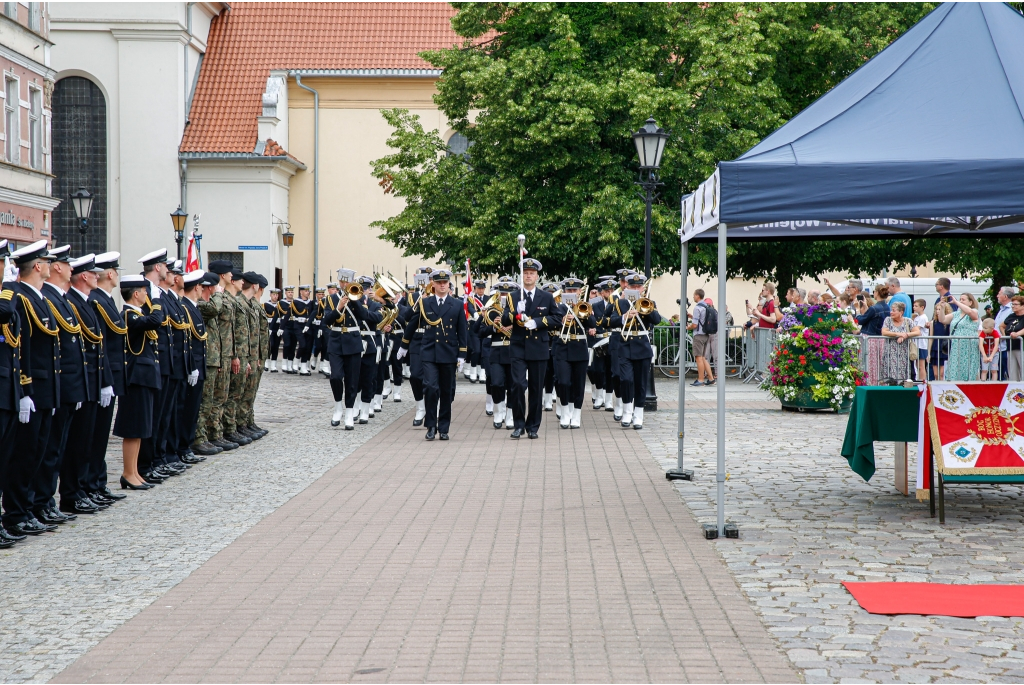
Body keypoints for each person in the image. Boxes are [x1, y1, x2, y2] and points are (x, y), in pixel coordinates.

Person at [3, 241, 62, 537]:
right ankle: (16, 512)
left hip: (45, 384)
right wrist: (24, 388)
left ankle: (29, 508)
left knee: (39, 450)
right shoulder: (21, 297)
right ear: (37, 266)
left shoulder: (38, 298)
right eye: (46, 261)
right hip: (30, 385)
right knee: (24, 454)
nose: (51, 265)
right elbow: (21, 345)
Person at [61, 255, 116, 515]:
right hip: (82, 382)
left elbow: (98, 346)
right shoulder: (74, 302)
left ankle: (83, 489)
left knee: (88, 441)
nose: (98, 276)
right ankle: (73, 493)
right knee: (77, 443)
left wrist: (104, 381)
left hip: (93, 381)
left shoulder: (85, 303)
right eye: (94, 273)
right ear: (83, 276)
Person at [396, 269, 467, 440]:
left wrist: (462, 354)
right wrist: (404, 345)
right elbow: (412, 324)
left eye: (445, 282)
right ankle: (430, 426)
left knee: (446, 391)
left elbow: (462, 330)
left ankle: (443, 428)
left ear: (449, 284)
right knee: (430, 387)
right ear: (433, 284)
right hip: (428, 351)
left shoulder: (456, 304)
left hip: (448, 352)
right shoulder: (425, 303)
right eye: (439, 282)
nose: (442, 285)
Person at [86, 252, 131, 503]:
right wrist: (105, 380)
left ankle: (97, 483)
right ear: (110, 274)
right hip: (103, 377)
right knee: (94, 436)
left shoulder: (105, 300)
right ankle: (92, 484)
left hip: (109, 375)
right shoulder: (97, 301)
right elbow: (100, 346)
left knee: (100, 435)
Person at [113, 274, 164, 490]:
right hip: (135, 378)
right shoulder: (128, 315)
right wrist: (159, 302)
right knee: (133, 427)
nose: (147, 295)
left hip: (144, 377)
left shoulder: (137, 313)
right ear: (136, 294)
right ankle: (127, 472)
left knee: (142, 426)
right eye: (145, 291)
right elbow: (156, 320)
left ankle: (134, 472)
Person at [500, 258, 560, 439]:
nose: (528, 276)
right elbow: (504, 321)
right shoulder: (513, 296)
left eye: (531, 273)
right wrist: (514, 313)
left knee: (536, 387)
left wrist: (538, 322)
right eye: (525, 273)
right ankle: (518, 424)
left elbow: (557, 319)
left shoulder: (547, 297)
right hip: (518, 346)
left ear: (537, 276)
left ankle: (533, 426)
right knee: (518, 385)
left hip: (538, 347)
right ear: (522, 275)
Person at [322, 269, 381, 429]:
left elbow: (365, 316)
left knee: (352, 379)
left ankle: (349, 412)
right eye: (342, 281)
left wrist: (354, 301)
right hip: (335, 341)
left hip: (354, 342)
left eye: (347, 282)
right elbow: (326, 320)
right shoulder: (331, 299)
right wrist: (339, 307)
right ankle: (338, 407)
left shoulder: (360, 297)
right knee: (335, 376)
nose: (344, 284)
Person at [196, 260, 240, 452]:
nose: (233, 277)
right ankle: (202, 437)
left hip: (219, 356)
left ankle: (215, 433)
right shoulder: (205, 303)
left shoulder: (217, 299)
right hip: (211, 357)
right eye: (229, 274)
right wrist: (218, 294)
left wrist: (231, 355)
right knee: (207, 401)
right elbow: (215, 311)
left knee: (218, 399)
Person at [609, 273, 662, 429]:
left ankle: (638, 414)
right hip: (625, 346)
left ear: (643, 288)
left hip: (642, 347)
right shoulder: (620, 303)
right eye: (633, 286)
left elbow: (657, 320)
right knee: (625, 379)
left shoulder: (649, 303)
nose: (636, 289)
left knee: (640, 383)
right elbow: (611, 321)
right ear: (627, 287)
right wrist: (624, 317)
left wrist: (645, 307)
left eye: (639, 287)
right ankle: (627, 411)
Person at [552, 277, 597, 429]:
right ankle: (565, 411)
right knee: (563, 381)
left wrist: (583, 313)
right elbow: (552, 322)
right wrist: (563, 319)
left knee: (579, 384)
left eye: (574, 290)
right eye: (569, 290)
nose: (572, 293)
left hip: (579, 348)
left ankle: (576, 413)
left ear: (579, 292)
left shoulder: (585, 306)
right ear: (564, 292)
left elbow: (593, 324)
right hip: (562, 347)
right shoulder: (558, 307)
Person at [938, 292, 981, 382]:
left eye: (963, 300)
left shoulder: (974, 311)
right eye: (960, 299)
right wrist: (942, 307)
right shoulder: (956, 314)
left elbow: (970, 312)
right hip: (956, 345)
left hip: (969, 346)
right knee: (954, 367)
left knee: (967, 367)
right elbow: (942, 320)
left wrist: (957, 302)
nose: (961, 301)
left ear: (970, 302)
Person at [855, 285, 890, 385]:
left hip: (870, 339)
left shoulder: (875, 308)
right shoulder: (887, 307)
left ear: (877, 293)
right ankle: (880, 383)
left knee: (869, 364)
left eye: (874, 291)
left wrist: (858, 310)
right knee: (879, 364)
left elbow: (861, 320)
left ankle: (870, 383)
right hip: (880, 338)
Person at [880, 301, 919, 384]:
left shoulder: (908, 321)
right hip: (890, 354)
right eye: (891, 310)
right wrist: (898, 334)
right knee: (890, 378)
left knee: (903, 377)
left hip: (904, 355)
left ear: (901, 312)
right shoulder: (888, 320)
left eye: (894, 310)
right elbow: (884, 332)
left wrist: (906, 335)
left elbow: (917, 332)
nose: (891, 312)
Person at [687, 289, 714, 387]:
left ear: (698, 296)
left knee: (698, 358)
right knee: (703, 358)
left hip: (698, 335)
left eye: (694, 295)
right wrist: (692, 317)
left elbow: (694, 325)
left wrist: (688, 327)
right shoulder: (706, 306)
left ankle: (701, 380)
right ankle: (711, 378)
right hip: (706, 334)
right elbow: (702, 320)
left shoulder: (697, 307)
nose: (693, 297)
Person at [1000, 295, 1024, 381]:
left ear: (1022, 306)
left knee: (1022, 369)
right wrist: (1005, 336)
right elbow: (1001, 326)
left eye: (1015, 304)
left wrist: (1017, 334)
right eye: (1012, 304)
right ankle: (1014, 390)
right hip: (1011, 346)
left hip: (1021, 347)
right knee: (1012, 371)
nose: (1013, 306)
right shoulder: (1011, 316)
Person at [994, 286, 1015, 380]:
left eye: (999, 293)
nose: (997, 295)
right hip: (998, 347)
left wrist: (1002, 335)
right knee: (999, 373)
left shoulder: (1011, 309)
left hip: (1005, 347)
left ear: (1005, 296)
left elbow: (1008, 327)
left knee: (1006, 373)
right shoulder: (1002, 309)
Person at [929, 302, 952, 381]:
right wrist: (928, 353)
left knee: (942, 373)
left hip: (944, 347)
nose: (937, 311)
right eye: (937, 309)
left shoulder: (949, 323)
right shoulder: (933, 322)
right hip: (935, 347)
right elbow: (931, 337)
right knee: (935, 373)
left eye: (940, 309)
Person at [279, 285, 297, 373]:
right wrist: (281, 327)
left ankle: (290, 364)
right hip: (285, 325)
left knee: (293, 345)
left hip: (294, 325)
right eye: (289, 292)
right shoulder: (282, 303)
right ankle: (284, 362)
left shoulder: (296, 302)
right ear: (285, 293)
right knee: (287, 344)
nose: (290, 294)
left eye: (292, 292)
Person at [911, 299, 930, 382]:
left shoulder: (923, 318)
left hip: (921, 344)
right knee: (917, 364)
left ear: (922, 307)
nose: (914, 308)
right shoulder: (917, 317)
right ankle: (919, 379)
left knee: (921, 365)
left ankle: (923, 381)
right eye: (914, 306)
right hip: (917, 344)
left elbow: (916, 329)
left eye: (916, 306)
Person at [264, 287, 281, 372]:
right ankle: (266, 362)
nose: (275, 296)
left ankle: (273, 364)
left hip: (277, 328)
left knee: (276, 346)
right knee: (270, 345)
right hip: (269, 327)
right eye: (273, 294)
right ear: (270, 295)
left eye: (277, 295)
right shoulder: (266, 305)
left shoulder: (280, 305)